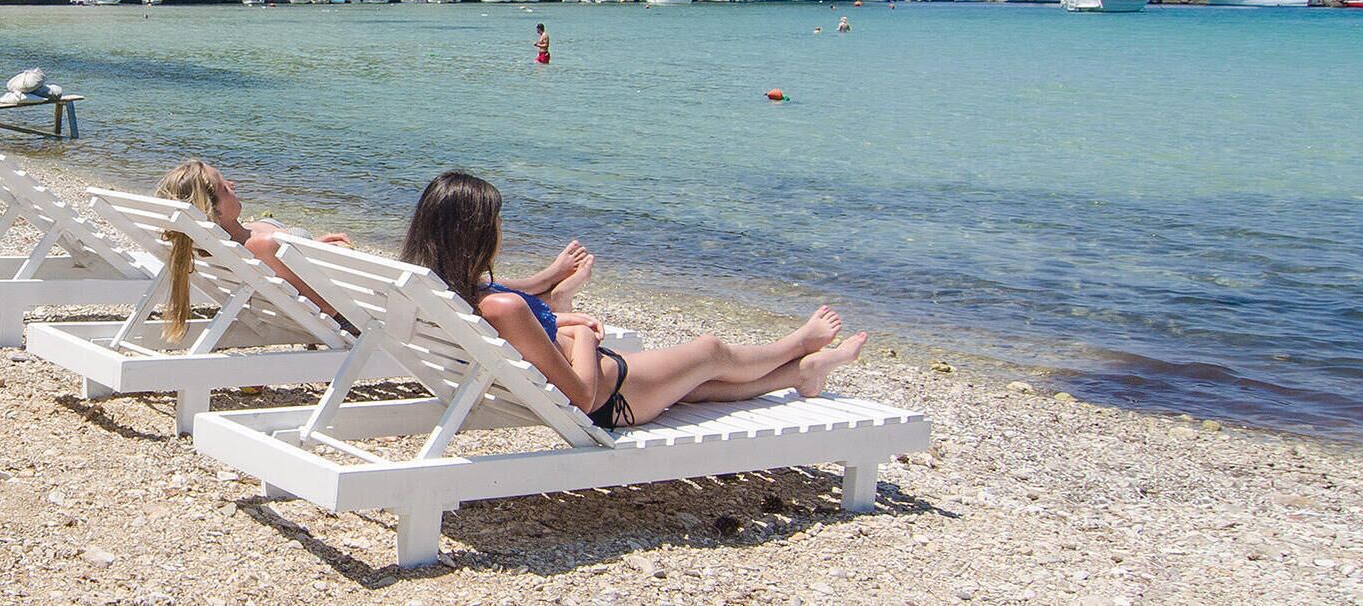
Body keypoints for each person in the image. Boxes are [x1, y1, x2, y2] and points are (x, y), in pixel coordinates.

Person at [401, 171, 866, 430]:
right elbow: (580, 397)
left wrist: (561, 317)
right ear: (477, 233)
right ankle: (798, 345)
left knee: (700, 384)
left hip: (603, 387)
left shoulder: (441, 288)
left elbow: (526, 344)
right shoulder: (503, 306)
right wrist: (583, 335)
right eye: (497, 222)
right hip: (614, 398)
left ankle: (804, 372)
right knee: (710, 352)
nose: (502, 229)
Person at [154, 159, 594, 342]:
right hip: (368, 308)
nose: (233, 184)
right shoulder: (262, 243)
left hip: (360, 291)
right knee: (444, 282)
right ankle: (545, 295)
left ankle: (541, 290)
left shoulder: (226, 245)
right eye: (223, 186)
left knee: (442, 277)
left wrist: (312, 252)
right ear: (211, 209)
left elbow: (289, 280)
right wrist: (330, 264)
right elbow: (328, 302)